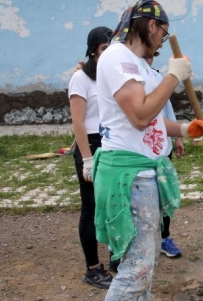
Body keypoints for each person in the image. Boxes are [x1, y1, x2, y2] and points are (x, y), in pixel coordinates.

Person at [93, 0, 203, 300]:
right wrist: (173, 76)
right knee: (136, 271)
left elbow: (155, 121)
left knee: (143, 268)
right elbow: (140, 117)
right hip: (129, 177)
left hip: (142, 174)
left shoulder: (141, 68)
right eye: (162, 33)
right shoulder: (118, 58)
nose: (161, 42)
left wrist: (186, 129)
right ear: (150, 25)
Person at [68, 26, 114, 289]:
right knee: (91, 207)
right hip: (91, 145)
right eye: (104, 49)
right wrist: (86, 158)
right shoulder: (80, 80)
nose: (108, 54)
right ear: (93, 52)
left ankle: (116, 259)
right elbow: (78, 122)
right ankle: (93, 268)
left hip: (110, 143)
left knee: (113, 205)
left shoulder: (110, 77)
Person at [145, 50, 185, 259]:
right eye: (146, 55)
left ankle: (164, 238)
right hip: (140, 155)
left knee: (164, 193)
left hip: (162, 149)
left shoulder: (158, 78)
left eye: (152, 55)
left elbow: (167, 109)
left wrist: (178, 136)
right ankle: (140, 243)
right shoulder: (130, 79)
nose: (149, 58)